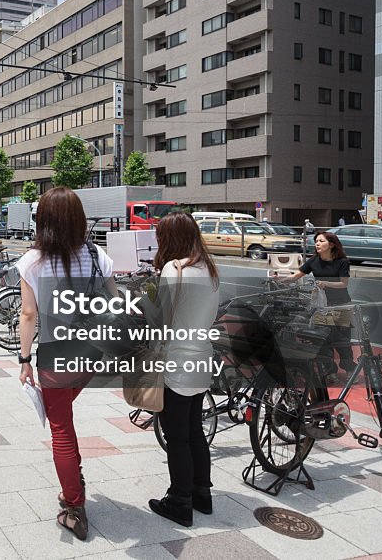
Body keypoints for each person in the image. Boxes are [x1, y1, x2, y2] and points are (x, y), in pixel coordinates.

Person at [16, 187, 116, 541]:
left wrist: (25, 360)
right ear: (78, 219)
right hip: (92, 356)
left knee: (61, 429)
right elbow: (113, 302)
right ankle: (73, 477)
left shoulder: (32, 262)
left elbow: (29, 315)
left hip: (56, 358)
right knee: (62, 416)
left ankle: (75, 505)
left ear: (43, 220)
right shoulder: (97, 255)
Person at [143, 212, 220, 528]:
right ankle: (202, 494)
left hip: (176, 361)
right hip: (201, 358)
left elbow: (159, 319)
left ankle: (179, 501)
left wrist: (148, 295)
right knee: (193, 430)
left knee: (176, 437)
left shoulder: (174, 270)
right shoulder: (209, 269)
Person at [277, 231, 354, 376]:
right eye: (316, 241)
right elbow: (296, 276)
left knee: (343, 341)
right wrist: (280, 279)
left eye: (321, 241)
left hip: (342, 305)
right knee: (322, 340)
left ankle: (349, 368)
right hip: (322, 306)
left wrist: (326, 283)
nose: (317, 243)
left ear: (331, 244)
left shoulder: (342, 262)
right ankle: (330, 370)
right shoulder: (313, 261)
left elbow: (344, 284)